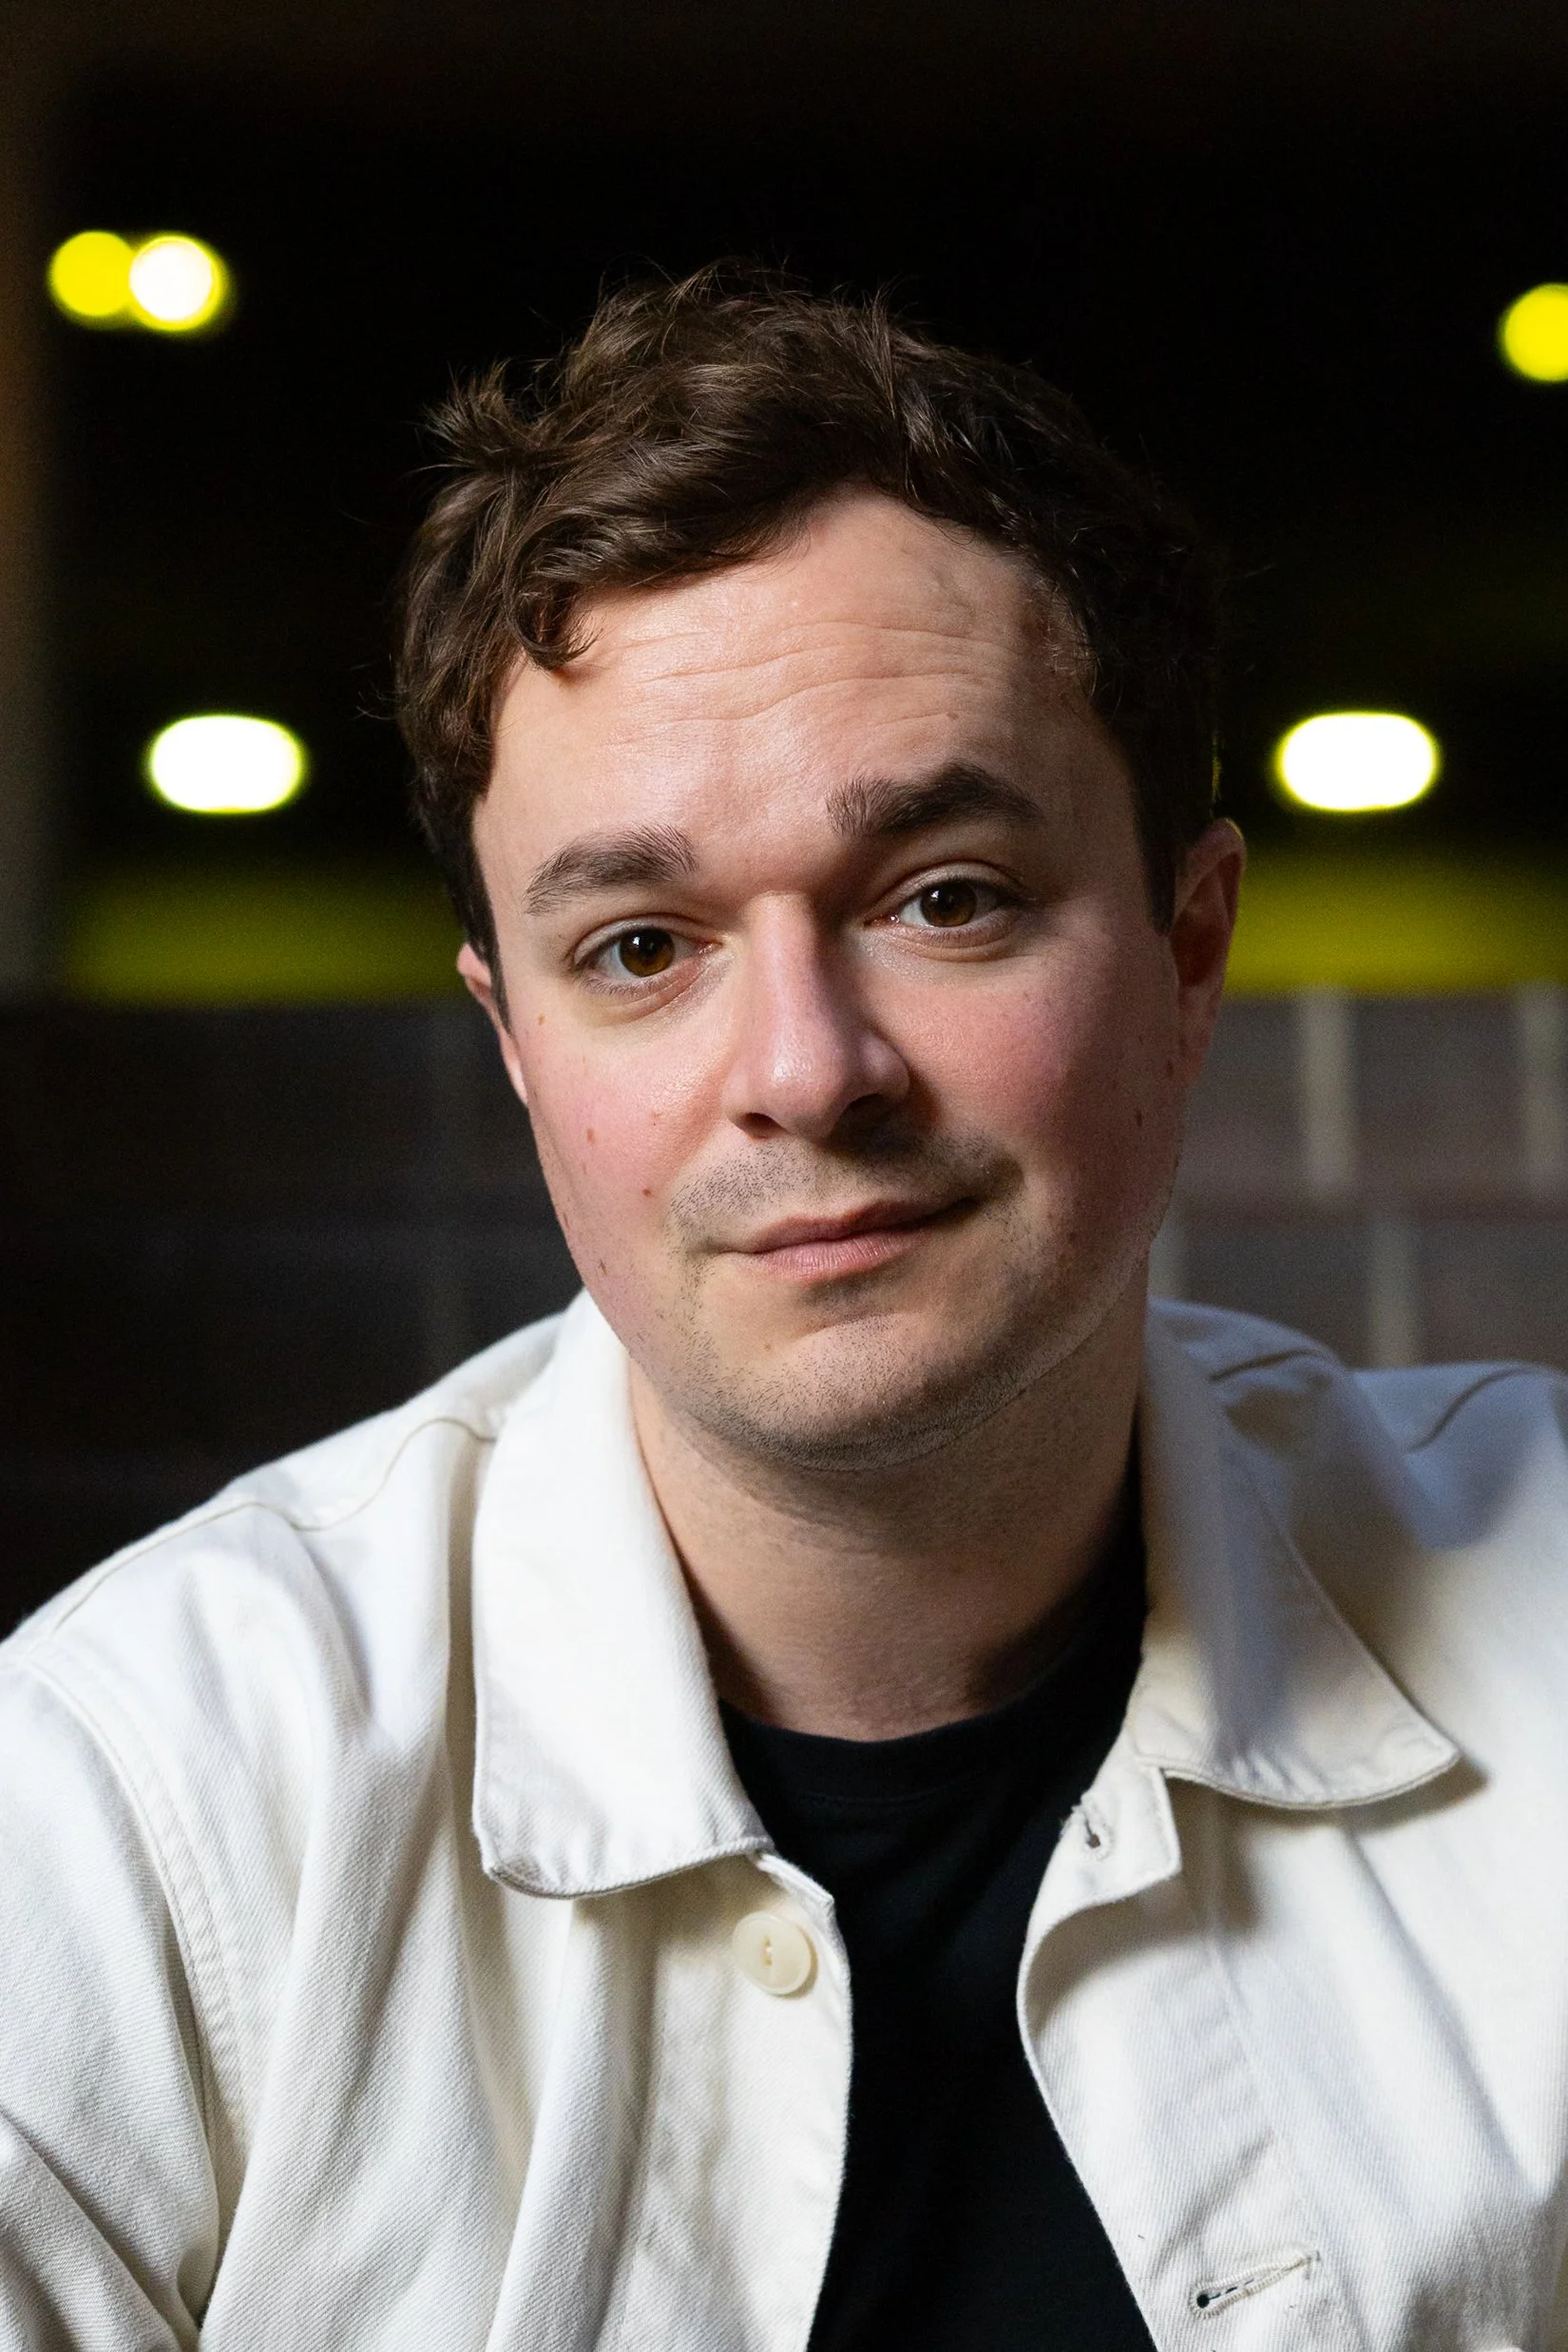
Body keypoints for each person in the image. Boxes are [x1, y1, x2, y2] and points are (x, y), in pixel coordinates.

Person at [3, 268, 1566, 2352]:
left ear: (1191, 956)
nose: (808, 1069)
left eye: (945, 896)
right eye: (642, 944)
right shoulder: (131, 1801)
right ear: (517, 1045)